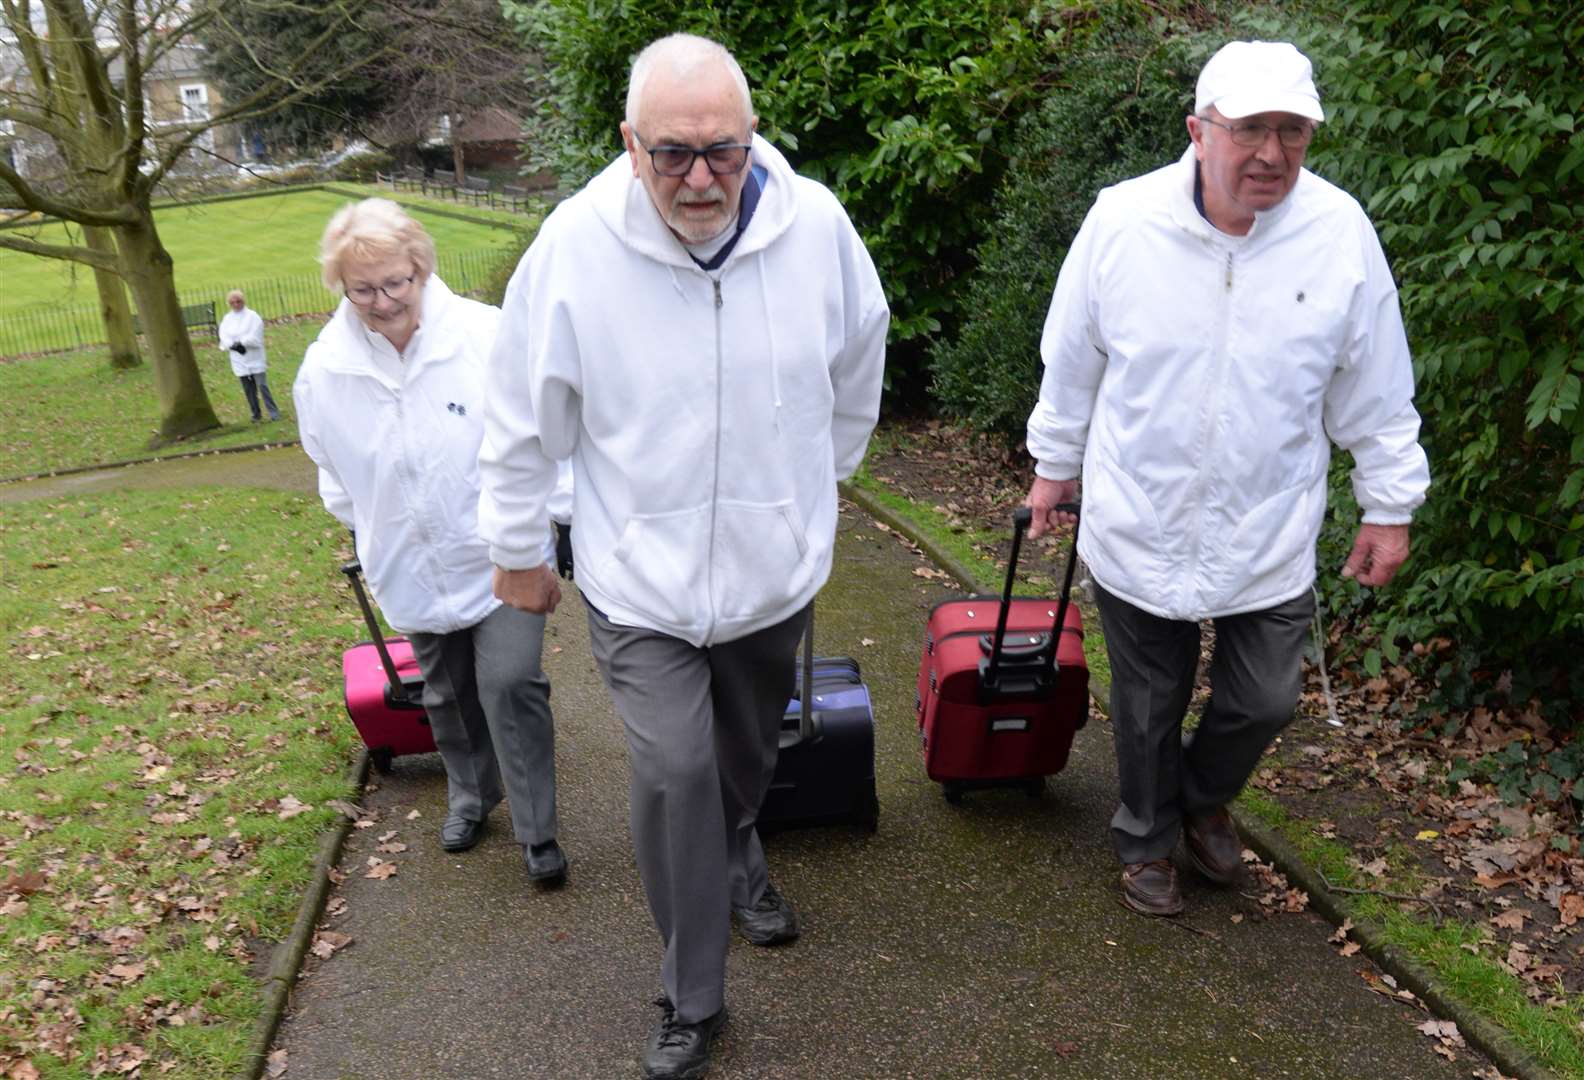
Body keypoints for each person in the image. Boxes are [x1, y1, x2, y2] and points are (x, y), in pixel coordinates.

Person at [477, 33, 887, 1080]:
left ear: (753, 137)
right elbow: (522, 417)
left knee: (740, 771)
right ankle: (690, 994)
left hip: (768, 579)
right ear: (628, 142)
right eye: (672, 154)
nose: (701, 178)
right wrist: (519, 547)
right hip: (639, 582)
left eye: (724, 150)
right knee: (674, 768)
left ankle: (735, 851)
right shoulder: (574, 249)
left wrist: (809, 493)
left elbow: (857, 363)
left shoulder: (817, 229)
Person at [1023, 41, 1430, 917]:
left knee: (1263, 698)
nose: (1272, 154)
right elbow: (1073, 357)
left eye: (1293, 131)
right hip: (1142, 510)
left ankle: (1201, 798)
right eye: (1250, 129)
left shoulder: (1338, 234)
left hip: (1269, 523)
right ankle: (1145, 839)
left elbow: (1377, 384)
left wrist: (1388, 505)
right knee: (1146, 704)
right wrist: (1054, 468)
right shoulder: (1123, 222)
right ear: (1198, 131)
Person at [293, 198, 572, 887]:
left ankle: (538, 831)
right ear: (342, 289)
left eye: (396, 282)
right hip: (409, 559)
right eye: (364, 289)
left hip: (500, 553)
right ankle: (474, 795)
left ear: (421, 270)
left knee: (509, 683)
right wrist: (364, 527)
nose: (383, 301)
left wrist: (557, 524)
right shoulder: (324, 369)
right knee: (446, 694)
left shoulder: (484, 335)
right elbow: (331, 466)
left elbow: (545, 434)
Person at [218, 290, 280, 422]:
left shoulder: (252, 316)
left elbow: (255, 335)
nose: (236, 304)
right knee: (248, 389)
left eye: (238, 301)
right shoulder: (227, 319)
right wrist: (232, 345)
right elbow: (224, 336)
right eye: (232, 302)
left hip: (254, 356)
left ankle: (273, 412)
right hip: (238, 358)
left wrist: (242, 343)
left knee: (262, 385)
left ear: (243, 301)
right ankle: (255, 414)